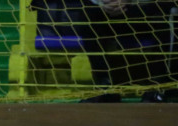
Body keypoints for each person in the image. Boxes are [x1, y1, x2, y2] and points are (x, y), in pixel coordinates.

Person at [31, 0, 177, 102]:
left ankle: (159, 87)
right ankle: (105, 88)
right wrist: (104, 3)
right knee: (89, 11)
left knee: (167, 10)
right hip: (115, 11)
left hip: (147, 9)